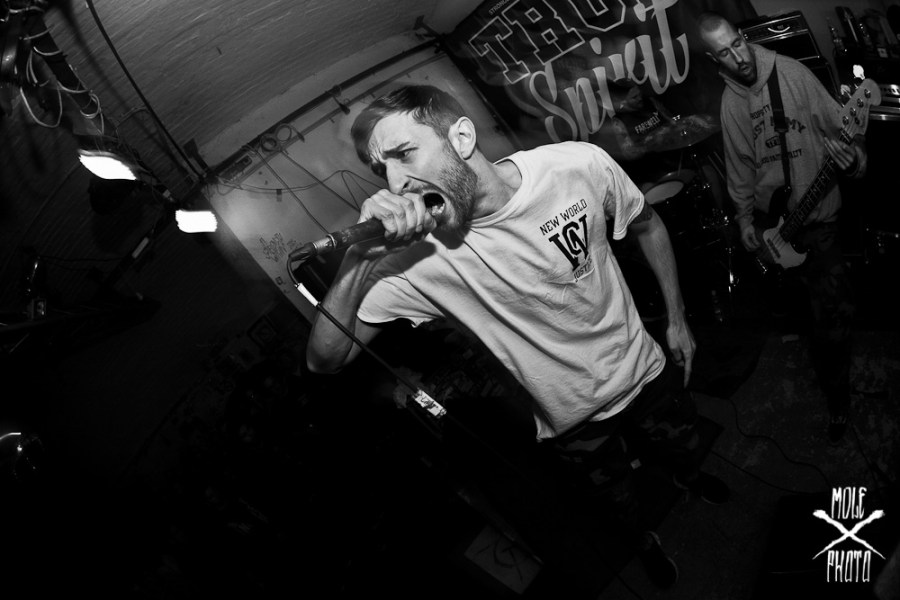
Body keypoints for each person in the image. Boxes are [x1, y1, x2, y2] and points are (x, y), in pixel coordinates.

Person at [305, 84, 728, 592]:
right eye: (382, 170)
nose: (395, 183)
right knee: (617, 507)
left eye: (404, 154)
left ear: (462, 138)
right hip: (573, 422)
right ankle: (644, 542)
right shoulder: (411, 262)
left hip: (645, 371)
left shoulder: (574, 166)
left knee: (685, 447)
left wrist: (677, 318)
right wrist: (359, 258)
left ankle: (688, 476)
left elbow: (648, 225)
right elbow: (324, 359)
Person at [696, 12, 867, 443]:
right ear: (713, 59)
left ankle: (839, 399)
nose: (737, 57)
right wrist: (744, 219)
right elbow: (740, 170)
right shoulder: (731, 103)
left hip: (819, 223)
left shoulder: (793, 74)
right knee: (799, 308)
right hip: (776, 226)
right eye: (724, 53)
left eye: (737, 43)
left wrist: (855, 160)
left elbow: (847, 132)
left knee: (834, 319)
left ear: (743, 36)